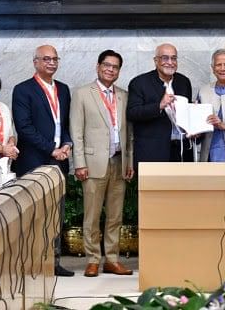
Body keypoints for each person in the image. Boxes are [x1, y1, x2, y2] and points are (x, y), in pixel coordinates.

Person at [12, 44, 74, 277]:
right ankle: (30, 261)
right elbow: (24, 127)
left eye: (54, 59)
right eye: (46, 59)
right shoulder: (23, 90)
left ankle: (53, 262)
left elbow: (65, 123)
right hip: (34, 161)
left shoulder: (64, 89)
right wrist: (52, 149)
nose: (51, 63)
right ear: (35, 62)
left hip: (60, 161)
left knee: (55, 214)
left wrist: (67, 144)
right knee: (33, 214)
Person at [72, 50, 135, 277]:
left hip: (119, 162)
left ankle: (111, 259)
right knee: (92, 215)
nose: (111, 69)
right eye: (107, 65)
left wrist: (130, 160)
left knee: (115, 216)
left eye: (115, 67)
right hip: (92, 163)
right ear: (98, 67)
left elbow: (129, 132)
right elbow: (76, 131)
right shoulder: (81, 94)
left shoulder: (124, 95)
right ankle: (92, 259)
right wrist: (79, 162)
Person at [127, 43, 194, 166]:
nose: (170, 62)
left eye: (173, 58)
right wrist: (159, 105)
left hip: (182, 152)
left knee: (184, 186)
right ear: (155, 60)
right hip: (152, 153)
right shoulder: (139, 83)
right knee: (154, 187)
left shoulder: (183, 82)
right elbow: (132, 113)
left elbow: (186, 113)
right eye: (165, 58)